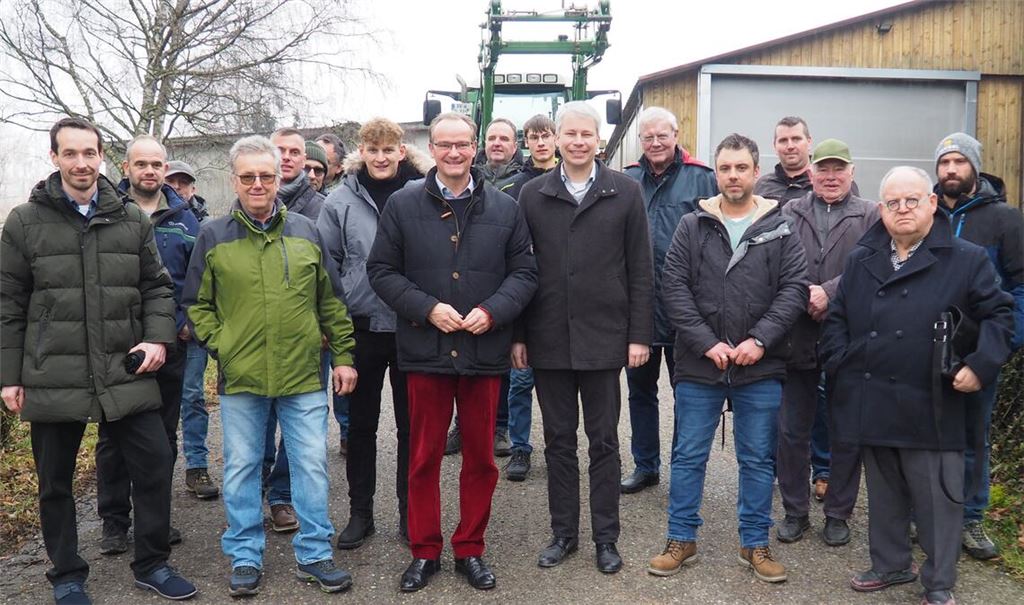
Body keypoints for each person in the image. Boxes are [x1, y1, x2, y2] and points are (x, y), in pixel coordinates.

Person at [1, 116, 197, 603]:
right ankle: (66, 573)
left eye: (89, 153)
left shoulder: (129, 218)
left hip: (122, 367)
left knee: (154, 463)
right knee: (55, 482)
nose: (81, 163)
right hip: (54, 369)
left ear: (102, 156)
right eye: (71, 153)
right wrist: (9, 377)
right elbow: (8, 303)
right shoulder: (25, 222)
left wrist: (157, 340)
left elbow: (156, 287)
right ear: (55, 158)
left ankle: (152, 562)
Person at [821, 166, 1014, 605]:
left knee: (936, 501)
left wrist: (981, 366)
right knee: (885, 493)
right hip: (872, 395)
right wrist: (841, 362)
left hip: (933, 399)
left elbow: (1000, 316)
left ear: (931, 202)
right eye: (892, 203)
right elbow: (838, 318)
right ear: (881, 210)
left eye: (911, 200)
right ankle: (890, 565)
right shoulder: (863, 258)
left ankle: (939, 582)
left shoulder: (967, 258)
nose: (902, 209)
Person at [367, 112, 536, 593]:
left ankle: (470, 548)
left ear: (476, 147)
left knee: (481, 458)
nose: (455, 153)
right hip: (427, 348)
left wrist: (493, 311)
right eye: (445, 145)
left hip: (483, 350)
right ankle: (424, 550)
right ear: (432, 148)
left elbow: (525, 273)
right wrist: (426, 308)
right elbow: (381, 270)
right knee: (423, 457)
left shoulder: (506, 208)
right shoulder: (403, 205)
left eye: (463, 144)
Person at [183, 134, 358, 596]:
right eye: (248, 177)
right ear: (234, 180)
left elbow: (332, 303)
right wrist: (224, 345)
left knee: (311, 465)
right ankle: (244, 555)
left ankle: (315, 553)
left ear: (280, 178)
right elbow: (196, 305)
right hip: (242, 379)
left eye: (266, 176)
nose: (257, 184)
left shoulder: (306, 231)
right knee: (240, 467)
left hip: (302, 374)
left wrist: (342, 356)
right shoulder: (213, 236)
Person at [650, 133, 807, 583]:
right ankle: (681, 538)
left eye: (741, 168)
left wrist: (759, 340)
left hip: (760, 366)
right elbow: (673, 287)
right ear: (715, 173)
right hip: (701, 365)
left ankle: (755, 544)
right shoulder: (692, 224)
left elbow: (794, 289)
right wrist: (706, 342)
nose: (733, 176)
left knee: (758, 459)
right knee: (687, 456)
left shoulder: (780, 226)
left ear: (757, 172)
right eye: (725, 168)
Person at [514, 101, 654, 575]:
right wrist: (518, 335)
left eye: (585, 134)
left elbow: (641, 269)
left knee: (604, 442)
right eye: (568, 133)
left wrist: (639, 335)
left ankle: (606, 538)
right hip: (548, 337)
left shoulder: (626, 192)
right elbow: (519, 269)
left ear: (599, 140)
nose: (577, 142)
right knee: (557, 440)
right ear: (554, 138)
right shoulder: (533, 195)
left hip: (604, 338)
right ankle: (564, 534)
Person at [318, 117, 433, 550]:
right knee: (360, 427)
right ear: (361, 153)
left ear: (401, 151)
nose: (381, 158)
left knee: (411, 427)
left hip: (413, 326)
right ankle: (360, 513)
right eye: (373, 149)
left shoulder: (424, 193)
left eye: (389, 150)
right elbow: (327, 265)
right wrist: (333, 323)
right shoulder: (339, 200)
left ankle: (409, 512)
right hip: (361, 328)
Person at [95, 135, 201, 555]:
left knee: (162, 436)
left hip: (170, 342)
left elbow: (196, 277)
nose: (150, 171)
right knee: (114, 436)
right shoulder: (108, 212)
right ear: (126, 167)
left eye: (157, 164)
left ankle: (153, 520)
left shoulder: (184, 217)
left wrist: (186, 323)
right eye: (142, 164)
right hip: (118, 346)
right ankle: (114, 522)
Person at [775, 139, 877, 547]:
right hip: (797, 333)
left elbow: (874, 265)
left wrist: (829, 292)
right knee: (791, 430)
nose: (831, 177)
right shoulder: (789, 211)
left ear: (852, 173)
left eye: (839, 170)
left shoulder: (870, 215)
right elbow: (777, 262)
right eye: (824, 170)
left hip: (847, 336)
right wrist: (805, 293)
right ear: (811, 174)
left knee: (845, 430)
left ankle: (838, 512)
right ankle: (795, 510)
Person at [932, 132, 1024, 560]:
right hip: (926, 350)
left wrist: (996, 353)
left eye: (959, 162)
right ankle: (926, 515)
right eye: (944, 162)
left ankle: (970, 518)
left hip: (978, 353)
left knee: (972, 439)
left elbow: (1020, 292)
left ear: (974, 166)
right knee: (924, 436)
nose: (951, 169)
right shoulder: (926, 213)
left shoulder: (1005, 220)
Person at [620, 106, 717, 495]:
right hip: (637, 308)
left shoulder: (702, 179)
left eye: (663, 135)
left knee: (687, 394)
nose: (656, 143)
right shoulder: (626, 180)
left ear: (676, 135)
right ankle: (646, 466)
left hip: (686, 310)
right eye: (648, 137)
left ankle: (683, 469)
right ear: (640, 141)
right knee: (640, 392)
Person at [445, 116, 526, 458]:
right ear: (482, 144)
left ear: (514, 146)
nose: (497, 143)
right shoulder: (466, 177)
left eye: (504, 138)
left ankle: (499, 428)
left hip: (498, 289)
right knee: (455, 364)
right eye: (492, 137)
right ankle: (461, 426)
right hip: (460, 286)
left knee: (500, 368)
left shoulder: (522, 185)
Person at [261, 127, 329, 533]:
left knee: (302, 424)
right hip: (257, 338)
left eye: (293, 152)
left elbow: (330, 276)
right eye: (278, 150)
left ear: (306, 161)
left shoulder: (322, 208)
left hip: (307, 338)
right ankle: (254, 491)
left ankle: (283, 495)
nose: (286, 157)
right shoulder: (239, 208)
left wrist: (325, 328)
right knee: (258, 422)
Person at [502, 113, 561, 482]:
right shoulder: (516, 188)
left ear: (555, 138)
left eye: (545, 136)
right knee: (521, 380)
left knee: (557, 385)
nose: (540, 142)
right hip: (527, 292)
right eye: (533, 137)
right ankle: (520, 448)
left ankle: (560, 448)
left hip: (560, 292)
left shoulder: (571, 180)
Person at [164, 159, 220, 500]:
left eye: (183, 183)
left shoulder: (206, 225)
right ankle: (158, 471)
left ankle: (196, 466)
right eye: (173, 182)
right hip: (163, 325)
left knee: (193, 396)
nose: (178, 188)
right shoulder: (155, 222)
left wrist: (194, 322)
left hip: (196, 327)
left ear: (193, 188)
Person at [754, 116, 814, 205]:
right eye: (783, 140)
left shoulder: (822, 184)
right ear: (774, 146)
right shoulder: (763, 186)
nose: (790, 146)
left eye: (796, 139)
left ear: (809, 142)